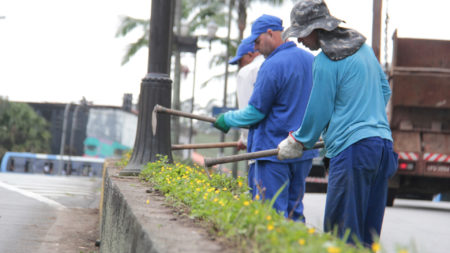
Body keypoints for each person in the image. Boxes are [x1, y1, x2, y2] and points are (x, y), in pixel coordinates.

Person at [278, 0, 398, 246]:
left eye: (302, 33)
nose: (299, 40)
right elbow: (384, 91)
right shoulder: (363, 49)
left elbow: (318, 111)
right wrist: (360, 112)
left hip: (353, 151)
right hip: (382, 148)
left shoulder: (325, 62)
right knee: (367, 234)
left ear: (317, 29)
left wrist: (298, 140)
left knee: (341, 233)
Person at [214, 14, 318, 222]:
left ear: (270, 33)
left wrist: (227, 119)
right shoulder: (311, 61)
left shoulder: (272, 65)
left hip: (273, 152)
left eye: (257, 41)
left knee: (269, 216)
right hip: (302, 151)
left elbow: (255, 113)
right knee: (294, 213)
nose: (256, 48)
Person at [228, 40, 264, 150]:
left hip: (261, 145)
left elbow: (248, 111)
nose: (239, 66)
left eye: (240, 61)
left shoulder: (248, 71)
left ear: (250, 55)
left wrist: (245, 139)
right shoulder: (276, 64)